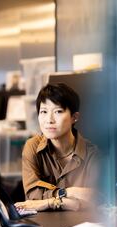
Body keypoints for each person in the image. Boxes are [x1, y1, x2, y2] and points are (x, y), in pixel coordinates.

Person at [15, 83, 99, 211]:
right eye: (43, 111)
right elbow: (33, 196)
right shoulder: (32, 147)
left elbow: (96, 199)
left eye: (58, 111)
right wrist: (70, 194)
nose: (49, 120)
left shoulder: (92, 153)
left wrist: (49, 201)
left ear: (74, 117)